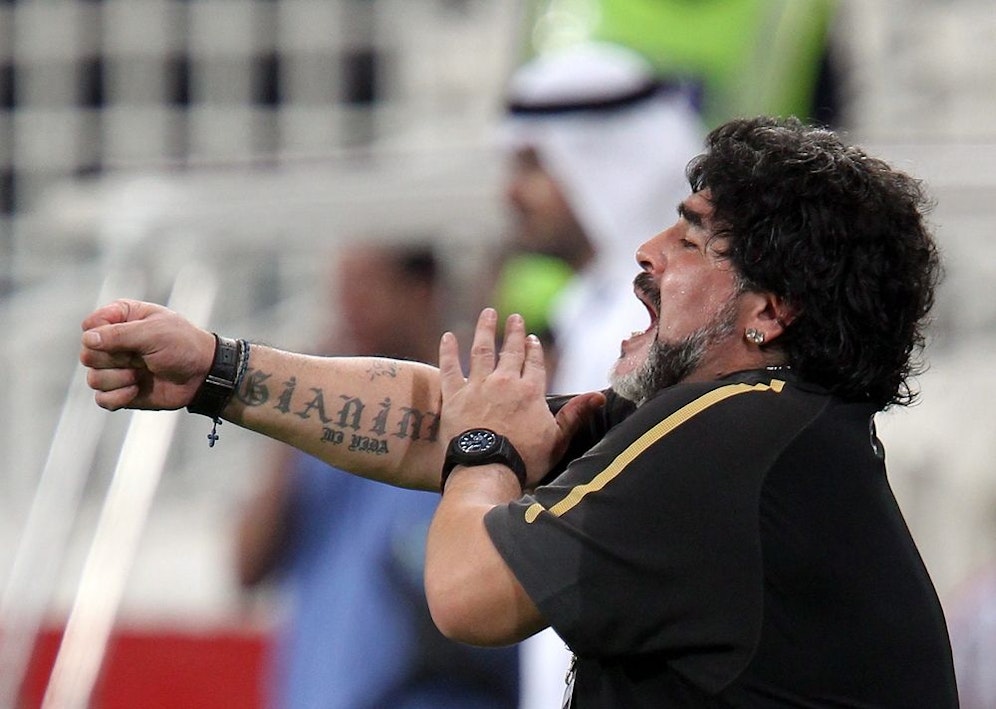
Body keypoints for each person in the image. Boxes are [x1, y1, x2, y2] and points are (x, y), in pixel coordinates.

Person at [79, 116, 958, 706]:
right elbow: (439, 426)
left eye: (691, 238)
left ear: (770, 313)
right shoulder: (756, 434)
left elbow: (470, 591)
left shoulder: (733, 434)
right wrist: (217, 370)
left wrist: (484, 445)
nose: (647, 252)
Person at [234, 244, 519, 709]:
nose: (347, 311)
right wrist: (287, 423)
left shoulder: (484, 408)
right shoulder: (323, 414)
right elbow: (246, 570)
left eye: (365, 290)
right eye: (341, 293)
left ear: (422, 291)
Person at [502, 41, 703, 396]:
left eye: (533, 166)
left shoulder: (652, 318)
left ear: (611, 166)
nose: (512, 193)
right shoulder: (588, 304)